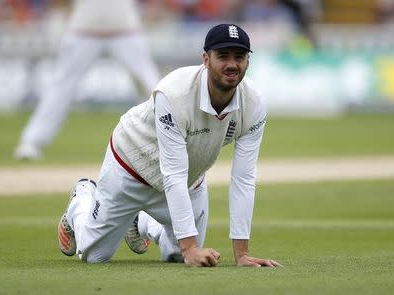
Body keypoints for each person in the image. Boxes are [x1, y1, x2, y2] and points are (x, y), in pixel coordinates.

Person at [57, 23, 282, 267]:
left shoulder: (254, 104)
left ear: (248, 61)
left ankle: (140, 222)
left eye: (239, 57)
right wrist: (191, 248)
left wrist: (242, 254)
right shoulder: (174, 93)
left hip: (188, 180)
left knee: (177, 255)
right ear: (206, 59)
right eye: (223, 56)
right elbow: (172, 172)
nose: (232, 64)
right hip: (130, 168)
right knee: (95, 256)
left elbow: (244, 178)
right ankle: (81, 200)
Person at [14, 0, 160, 160]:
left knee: (151, 86)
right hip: (83, 30)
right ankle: (32, 141)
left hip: (126, 29)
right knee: (61, 87)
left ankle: (169, 138)